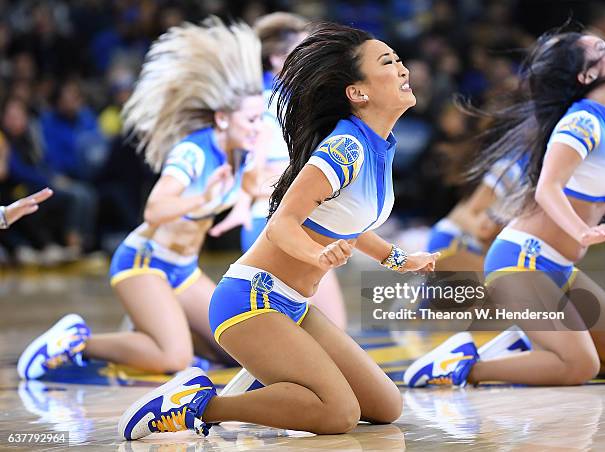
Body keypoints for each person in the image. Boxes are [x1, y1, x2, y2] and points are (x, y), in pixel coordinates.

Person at [118, 21, 440, 440]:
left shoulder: (379, 143)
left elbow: (348, 222)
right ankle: (194, 405)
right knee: (338, 414)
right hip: (250, 300)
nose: (402, 68)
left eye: (398, 59)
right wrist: (316, 256)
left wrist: (397, 259)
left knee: (385, 406)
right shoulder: (346, 148)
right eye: (387, 61)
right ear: (358, 92)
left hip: (293, 305)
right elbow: (281, 225)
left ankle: (272, 380)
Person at [17, 18, 265, 380]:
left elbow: (251, 192)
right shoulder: (193, 154)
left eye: (261, 119)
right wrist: (202, 200)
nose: (259, 128)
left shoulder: (245, 153)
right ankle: (76, 341)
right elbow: (154, 211)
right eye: (252, 119)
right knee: (173, 359)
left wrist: (243, 206)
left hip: (183, 271)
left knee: (241, 348)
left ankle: (150, 330)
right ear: (223, 119)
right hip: (144, 263)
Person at [403, 27, 605, 387]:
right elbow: (549, 187)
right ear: (587, 75)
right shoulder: (584, 120)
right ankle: (460, 367)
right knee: (579, 367)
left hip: (559, 266)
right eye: (602, 47)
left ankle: (521, 349)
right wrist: (581, 230)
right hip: (523, 260)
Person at [210, 12, 348, 330]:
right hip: (273, 221)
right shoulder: (261, 105)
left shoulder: (297, 100)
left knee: (310, 331)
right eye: (301, 51)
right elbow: (256, 175)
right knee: (327, 329)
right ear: (276, 59)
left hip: (289, 220)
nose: (312, 60)